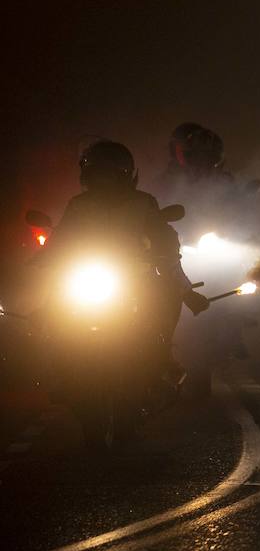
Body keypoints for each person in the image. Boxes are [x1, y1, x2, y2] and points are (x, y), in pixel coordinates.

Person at [41, 140, 209, 375]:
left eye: (109, 174)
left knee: (169, 296)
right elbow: (61, 238)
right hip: (87, 275)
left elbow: (166, 240)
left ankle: (162, 355)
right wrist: (45, 257)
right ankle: (60, 365)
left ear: (124, 175)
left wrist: (184, 289)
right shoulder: (78, 206)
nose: (103, 181)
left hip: (136, 277)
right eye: (98, 174)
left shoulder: (144, 203)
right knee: (50, 308)